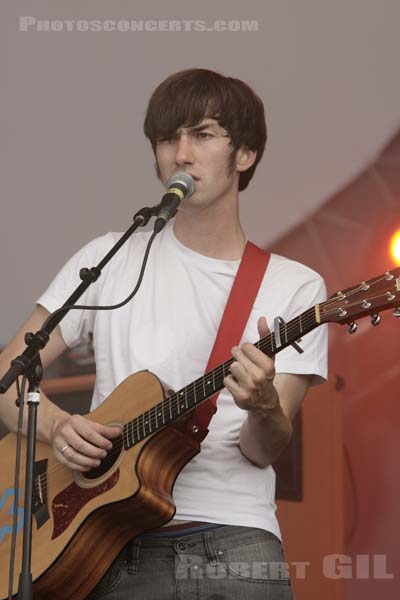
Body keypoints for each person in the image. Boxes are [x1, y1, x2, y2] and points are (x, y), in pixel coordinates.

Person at [0, 68, 327, 599]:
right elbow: (8, 378)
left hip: (235, 544)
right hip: (107, 539)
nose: (181, 153)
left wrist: (263, 404)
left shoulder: (293, 286)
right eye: (167, 139)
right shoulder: (108, 257)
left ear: (244, 155)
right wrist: (59, 427)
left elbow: (263, 450)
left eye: (202, 135)